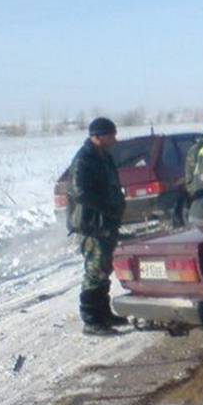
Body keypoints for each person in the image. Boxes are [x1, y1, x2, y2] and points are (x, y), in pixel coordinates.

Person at [66, 117, 127, 335]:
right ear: (97, 136)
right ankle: (91, 320)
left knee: (104, 268)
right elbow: (80, 192)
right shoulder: (85, 159)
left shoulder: (104, 157)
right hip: (92, 224)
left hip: (106, 222)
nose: (114, 139)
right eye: (111, 135)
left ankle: (104, 314)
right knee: (95, 270)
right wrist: (107, 207)